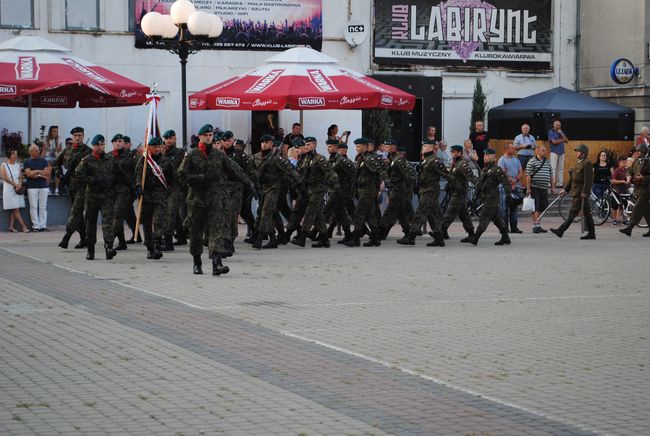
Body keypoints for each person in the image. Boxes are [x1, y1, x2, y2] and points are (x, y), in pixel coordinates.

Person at [179, 124, 249, 275]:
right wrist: (202, 178)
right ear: (200, 137)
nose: (209, 138)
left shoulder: (219, 155)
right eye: (206, 135)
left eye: (210, 135)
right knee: (196, 233)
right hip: (197, 200)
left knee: (216, 230)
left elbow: (235, 169)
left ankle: (216, 263)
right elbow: (182, 176)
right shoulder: (192, 155)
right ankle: (197, 262)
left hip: (215, 199)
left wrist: (249, 183)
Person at [252, 134, 300, 249]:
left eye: (267, 142)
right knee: (271, 213)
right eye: (262, 142)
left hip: (274, 188)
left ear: (271, 144)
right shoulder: (258, 157)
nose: (264, 144)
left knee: (266, 213)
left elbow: (289, 171)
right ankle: (274, 238)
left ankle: (260, 238)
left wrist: (299, 184)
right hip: (263, 188)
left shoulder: (276, 158)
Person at [397, 140, 448, 246]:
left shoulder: (434, 161)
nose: (423, 147)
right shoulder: (425, 160)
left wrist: (455, 185)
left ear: (432, 147)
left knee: (420, 213)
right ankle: (439, 237)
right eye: (422, 146)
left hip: (431, 191)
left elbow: (447, 174)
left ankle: (411, 236)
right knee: (433, 214)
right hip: (424, 191)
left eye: (425, 146)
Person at [75, 134, 117, 260]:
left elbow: (116, 174)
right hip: (92, 195)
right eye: (98, 145)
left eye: (102, 144)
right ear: (93, 146)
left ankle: (109, 247)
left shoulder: (110, 158)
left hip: (107, 195)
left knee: (108, 222)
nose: (100, 147)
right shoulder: (87, 160)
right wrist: (91, 180)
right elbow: (78, 173)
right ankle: (90, 249)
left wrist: (111, 184)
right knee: (90, 223)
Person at [290, 137, 336, 248]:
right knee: (318, 215)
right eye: (305, 145)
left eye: (309, 144)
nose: (307, 146)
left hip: (318, 190)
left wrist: (335, 187)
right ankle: (325, 239)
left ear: (314, 145)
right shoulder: (306, 159)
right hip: (308, 190)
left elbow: (330, 173)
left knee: (310, 213)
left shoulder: (320, 158)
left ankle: (303, 238)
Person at [134, 137, 175, 260]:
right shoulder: (144, 160)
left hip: (160, 195)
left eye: (159, 147)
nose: (157, 149)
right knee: (146, 223)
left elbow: (172, 178)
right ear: (149, 147)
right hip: (146, 195)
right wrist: (138, 186)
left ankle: (157, 244)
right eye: (155, 147)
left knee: (159, 221)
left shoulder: (166, 161)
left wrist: (170, 190)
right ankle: (150, 249)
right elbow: (137, 174)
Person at [344, 138, 385, 247]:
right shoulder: (362, 158)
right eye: (356, 147)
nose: (357, 148)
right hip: (362, 190)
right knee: (370, 214)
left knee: (359, 214)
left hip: (368, 190)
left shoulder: (369, 159)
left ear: (365, 147)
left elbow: (380, 170)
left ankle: (356, 239)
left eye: (359, 146)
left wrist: (385, 184)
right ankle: (376, 239)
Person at [223, 130, 258, 255]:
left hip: (238, 189)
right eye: (225, 141)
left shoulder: (240, 155)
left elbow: (250, 171)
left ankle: (230, 241)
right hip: (223, 190)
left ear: (233, 140)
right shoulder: (219, 154)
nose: (227, 143)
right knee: (229, 215)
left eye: (229, 140)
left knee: (234, 215)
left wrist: (254, 186)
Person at [467, 148, 511, 246]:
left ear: (493, 157)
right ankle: (505, 237)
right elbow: (481, 182)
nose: (485, 157)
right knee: (496, 217)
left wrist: (508, 195)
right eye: (484, 155)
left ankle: (475, 238)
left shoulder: (497, 169)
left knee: (484, 215)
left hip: (492, 197)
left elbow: (505, 182)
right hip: (484, 196)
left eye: (487, 155)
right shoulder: (486, 169)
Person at [56, 126, 91, 249]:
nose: (77, 137)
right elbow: (56, 162)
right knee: (78, 215)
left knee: (75, 211)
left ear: (83, 136)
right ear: (72, 137)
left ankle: (67, 236)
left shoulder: (88, 151)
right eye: (75, 135)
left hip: (83, 187)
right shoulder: (67, 151)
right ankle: (83, 239)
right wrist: (60, 175)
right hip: (70, 187)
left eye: (80, 135)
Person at [551, 144, 596, 240]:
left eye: (578, 151)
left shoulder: (587, 163)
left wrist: (585, 192)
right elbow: (572, 179)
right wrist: (565, 190)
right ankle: (592, 233)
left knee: (573, 212)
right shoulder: (579, 163)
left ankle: (561, 230)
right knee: (587, 213)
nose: (577, 153)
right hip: (576, 191)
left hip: (581, 193)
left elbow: (588, 180)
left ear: (583, 153)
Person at [380, 138, 417, 239]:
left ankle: (380, 232)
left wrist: (408, 187)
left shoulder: (398, 159)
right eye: (386, 145)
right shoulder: (390, 159)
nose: (387, 147)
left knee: (389, 211)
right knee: (400, 212)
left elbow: (409, 175)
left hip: (399, 189)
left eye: (389, 146)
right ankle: (408, 232)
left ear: (395, 147)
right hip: (394, 188)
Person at [441, 145, 477, 241]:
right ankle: (471, 234)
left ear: (461, 153)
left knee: (450, 211)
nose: (454, 154)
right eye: (453, 152)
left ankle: (440, 231)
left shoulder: (462, 164)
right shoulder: (455, 163)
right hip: (454, 190)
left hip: (460, 191)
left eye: (456, 152)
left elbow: (470, 176)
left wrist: (478, 183)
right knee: (464, 213)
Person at [323, 139, 354, 242]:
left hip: (340, 191)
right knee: (340, 213)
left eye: (330, 147)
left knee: (325, 211)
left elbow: (351, 175)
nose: (328, 149)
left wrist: (347, 190)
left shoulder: (342, 160)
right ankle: (348, 235)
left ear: (337, 148)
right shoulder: (332, 159)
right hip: (333, 190)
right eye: (328, 147)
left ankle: (320, 235)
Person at [161, 130, 187, 250]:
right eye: (166, 139)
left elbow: (174, 168)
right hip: (164, 187)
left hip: (176, 187)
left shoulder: (180, 152)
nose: (168, 140)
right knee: (174, 213)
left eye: (171, 138)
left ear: (175, 139)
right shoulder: (161, 153)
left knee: (170, 212)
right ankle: (181, 236)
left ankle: (168, 241)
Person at [110, 133, 135, 251]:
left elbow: (134, 174)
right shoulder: (108, 156)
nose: (118, 143)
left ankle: (111, 240)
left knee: (118, 215)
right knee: (115, 216)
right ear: (113, 143)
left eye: (120, 141)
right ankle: (121, 241)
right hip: (111, 190)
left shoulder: (129, 157)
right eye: (116, 141)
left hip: (124, 190)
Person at [620, 143, 650, 236]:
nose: (636, 152)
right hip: (637, 188)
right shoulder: (636, 161)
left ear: (644, 152)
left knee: (637, 208)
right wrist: (628, 176)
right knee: (646, 210)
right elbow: (630, 170)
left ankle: (629, 228)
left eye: (638, 151)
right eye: (636, 151)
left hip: (646, 189)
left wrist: (643, 178)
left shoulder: (648, 162)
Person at [525, 144, 555, 233]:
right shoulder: (532, 161)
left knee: (543, 207)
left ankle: (538, 224)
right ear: (537, 151)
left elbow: (551, 175)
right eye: (543, 150)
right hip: (535, 187)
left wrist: (552, 187)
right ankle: (536, 225)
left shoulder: (548, 162)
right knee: (535, 207)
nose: (545, 152)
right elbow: (528, 176)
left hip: (544, 188)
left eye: (545, 150)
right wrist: (528, 188)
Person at [23, 144, 51, 231]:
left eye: (38, 150)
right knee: (33, 207)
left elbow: (47, 172)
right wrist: (40, 174)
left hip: (43, 186)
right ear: (31, 152)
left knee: (43, 206)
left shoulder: (44, 161)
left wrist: (36, 172)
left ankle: (43, 226)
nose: (38, 151)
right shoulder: (26, 162)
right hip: (32, 187)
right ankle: (36, 226)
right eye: (36, 150)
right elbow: (29, 174)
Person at [2, 148, 29, 233]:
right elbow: (5, 178)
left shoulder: (17, 165)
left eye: (16, 154)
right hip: (9, 189)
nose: (15, 156)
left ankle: (11, 226)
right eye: (14, 154)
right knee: (15, 209)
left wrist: (20, 184)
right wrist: (16, 185)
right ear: (9, 155)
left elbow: (21, 177)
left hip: (17, 189)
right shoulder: (4, 165)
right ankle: (23, 226)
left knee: (15, 208)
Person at [497, 143, 523, 233]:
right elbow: (503, 172)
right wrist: (510, 181)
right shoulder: (502, 160)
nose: (514, 150)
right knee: (504, 208)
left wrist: (516, 180)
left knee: (514, 207)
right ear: (506, 149)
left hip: (516, 186)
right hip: (505, 187)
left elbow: (520, 171)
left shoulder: (516, 160)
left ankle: (514, 228)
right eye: (512, 148)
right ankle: (504, 228)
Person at [548, 120, 568, 188]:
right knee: (553, 168)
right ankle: (551, 183)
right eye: (557, 125)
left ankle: (559, 183)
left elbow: (567, 140)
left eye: (559, 125)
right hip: (554, 152)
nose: (558, 126)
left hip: (562, 152)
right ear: (554, 125)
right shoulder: (551, 132)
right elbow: (554, 142)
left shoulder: (561, 132)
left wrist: (562, 134)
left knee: (561, 168)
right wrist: (563, 140)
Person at [610, 156, 629, 226]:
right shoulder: (616, 171)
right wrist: (623, 181)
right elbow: (613, 181)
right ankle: (614, 220)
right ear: (619, 163)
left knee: (624, 205)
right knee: (615, 205)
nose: (625, 164)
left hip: (624, 191)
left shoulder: (626, 170)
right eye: (623, 162)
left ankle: (623, 219)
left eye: (626, 162)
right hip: (616, 191)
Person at [45, 125, 62, 195]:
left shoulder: (59, 139)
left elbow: (60, 151)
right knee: (49, 168)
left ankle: (57, 189)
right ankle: (47, 188)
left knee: (58, 169)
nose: (56, 133)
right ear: (51, 132)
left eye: (57, 131)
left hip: (56, 157)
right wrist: (40, 159)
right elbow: (44, 151)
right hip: (48, 157)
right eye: (54, 131)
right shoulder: (46, 139)